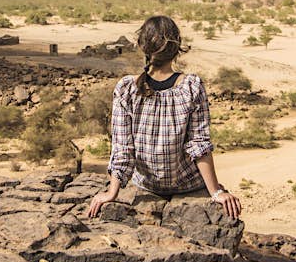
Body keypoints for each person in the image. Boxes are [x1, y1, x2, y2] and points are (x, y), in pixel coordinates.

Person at [87, 15, 242, 219]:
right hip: (187, 184)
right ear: (177, 48)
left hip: (146, 185)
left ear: (142, 46)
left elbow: (123, 148)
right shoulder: (191, 86)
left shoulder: (126, 88)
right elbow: (199, 144)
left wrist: (111, 193)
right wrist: (216, 191)